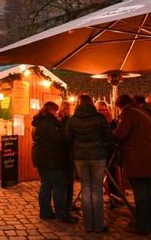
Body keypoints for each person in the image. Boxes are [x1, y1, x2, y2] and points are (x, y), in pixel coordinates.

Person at [66, 95, 113, 233]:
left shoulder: (72, 120)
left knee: (86, 189)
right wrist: (102, 146)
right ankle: (98, 225)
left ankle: (88, 225)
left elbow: (68, 140)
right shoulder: (99, 118)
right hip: (98, 157)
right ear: (92, 104)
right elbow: (109, 137)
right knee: (97, 190)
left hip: (80, 158)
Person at [114, 94, 151, 235]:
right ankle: (147, 224)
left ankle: (143, 226)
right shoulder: (143, 111)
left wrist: (112, 133)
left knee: (141, 194)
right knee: (147, 192)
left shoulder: (128, 114)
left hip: (137, 158)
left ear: (121, 105)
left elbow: (120, 135)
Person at [33, 101, 77, 223]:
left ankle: (45, 213)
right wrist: (67, 137)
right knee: (58, 187)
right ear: (51, 110)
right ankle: (61, 214)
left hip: (41, 159)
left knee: (45, 186)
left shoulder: (39, 122)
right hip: (53, 159)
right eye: (55, 110)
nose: (57, 112)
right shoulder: (50, 122)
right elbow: (59, 139)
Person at [95, 100, 121, 208]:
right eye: (100, 110)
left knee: (112, 176)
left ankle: (114, 199)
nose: (102, 111)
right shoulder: (95, 121)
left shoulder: (111, 121)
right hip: (98, 152)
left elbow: (116, 133)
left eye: (104, 109)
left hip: (110, 152)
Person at [58, 100, 76, 213]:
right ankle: (67, 204)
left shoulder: (57, 120)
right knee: (69, 181)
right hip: (68, 153)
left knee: (63, 181)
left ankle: (64, 204)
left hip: (61, 154)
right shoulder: (69, 120)